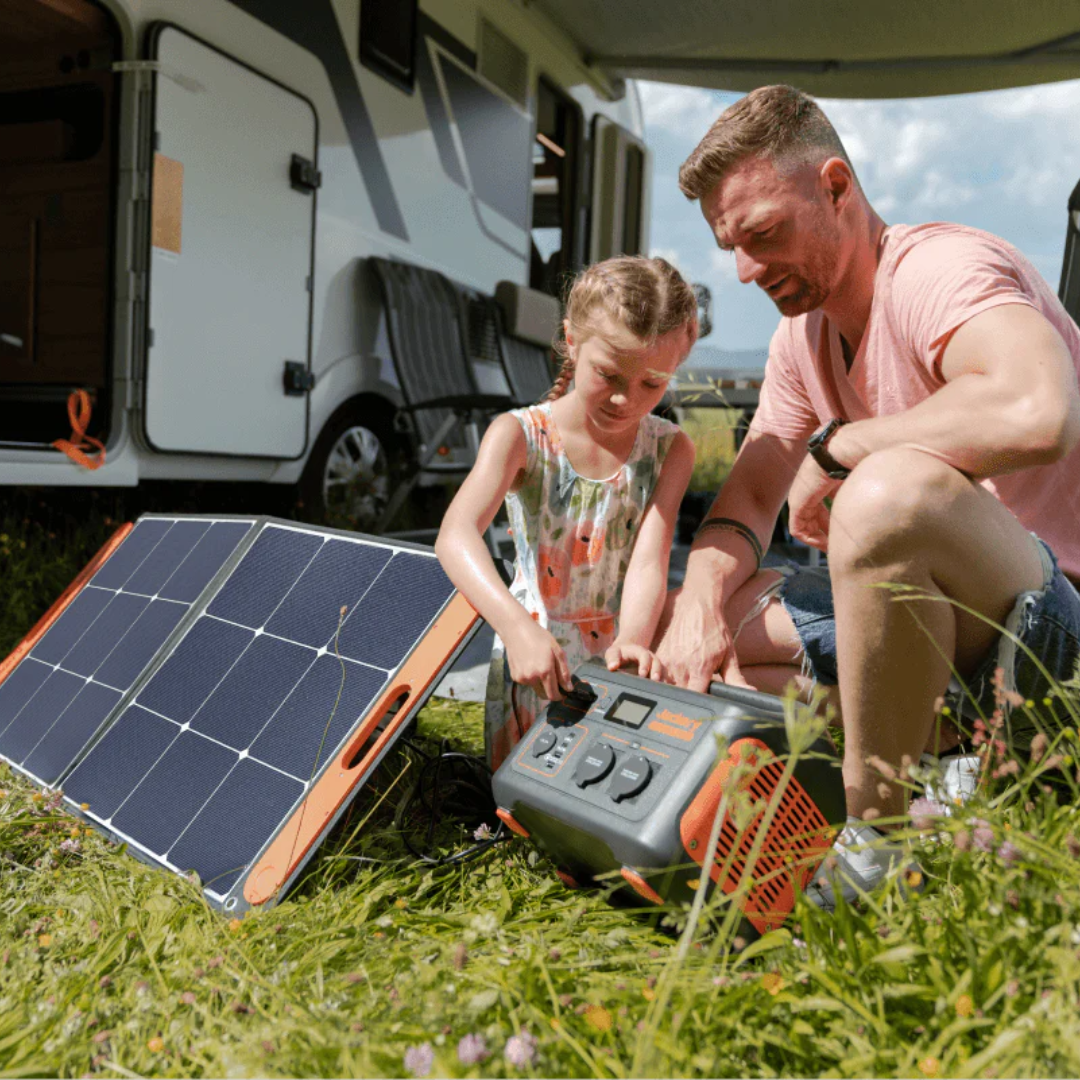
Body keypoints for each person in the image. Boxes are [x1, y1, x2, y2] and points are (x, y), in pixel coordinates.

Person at [656, 84, 1080, 903]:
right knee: (714, 635)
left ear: (836, 188)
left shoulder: (940, 271)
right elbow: (744, 506)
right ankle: (951, 762)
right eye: (729, 248)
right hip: (965, 643)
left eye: (763, 235)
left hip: (1055, 634)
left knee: (884, 496)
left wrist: (842, 446)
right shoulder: (801, 336)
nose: (745, 271)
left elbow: (1041, 410)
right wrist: (698, 602)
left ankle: (878, 854)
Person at [435, 256, 697, 769]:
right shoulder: (522, 436)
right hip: (536, 656)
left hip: (621, 657)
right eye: (609, 374)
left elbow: (649, 561)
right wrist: (515, 629)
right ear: (571, 341)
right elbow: (456, 534)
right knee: (532, 801)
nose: (627, 398)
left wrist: (633, 644)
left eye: (653, 383)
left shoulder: (670, 450)